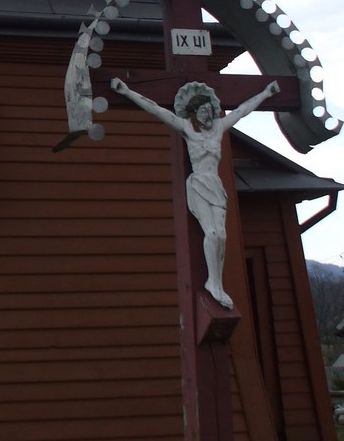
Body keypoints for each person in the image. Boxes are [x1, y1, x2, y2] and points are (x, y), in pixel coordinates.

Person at [110, 77, 279, 308]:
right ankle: (213, 283)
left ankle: (216, 283)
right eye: (203, 111)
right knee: (211, 232)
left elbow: (242, 110)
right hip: (198, 184)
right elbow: (156, 109)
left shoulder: (218, 128)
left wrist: (266, 94)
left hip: (215, 185)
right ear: (195, 112)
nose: (208, 115)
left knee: (222, 235)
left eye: (210, 110)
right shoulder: (187, 128)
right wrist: (128, 92)